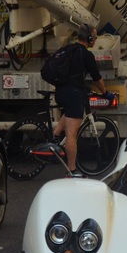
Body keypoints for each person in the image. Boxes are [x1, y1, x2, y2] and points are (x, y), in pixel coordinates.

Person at [52, 23, 109, 178]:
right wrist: (106, 93)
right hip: (73, 94)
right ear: (89, 38)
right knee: (71, 134)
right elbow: (97, 78)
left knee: (69, 114)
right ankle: (72, 170)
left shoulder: (68, 49)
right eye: (95, 37)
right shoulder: (86, 55)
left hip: (61, 92)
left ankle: (55, 137)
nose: (96, 40)